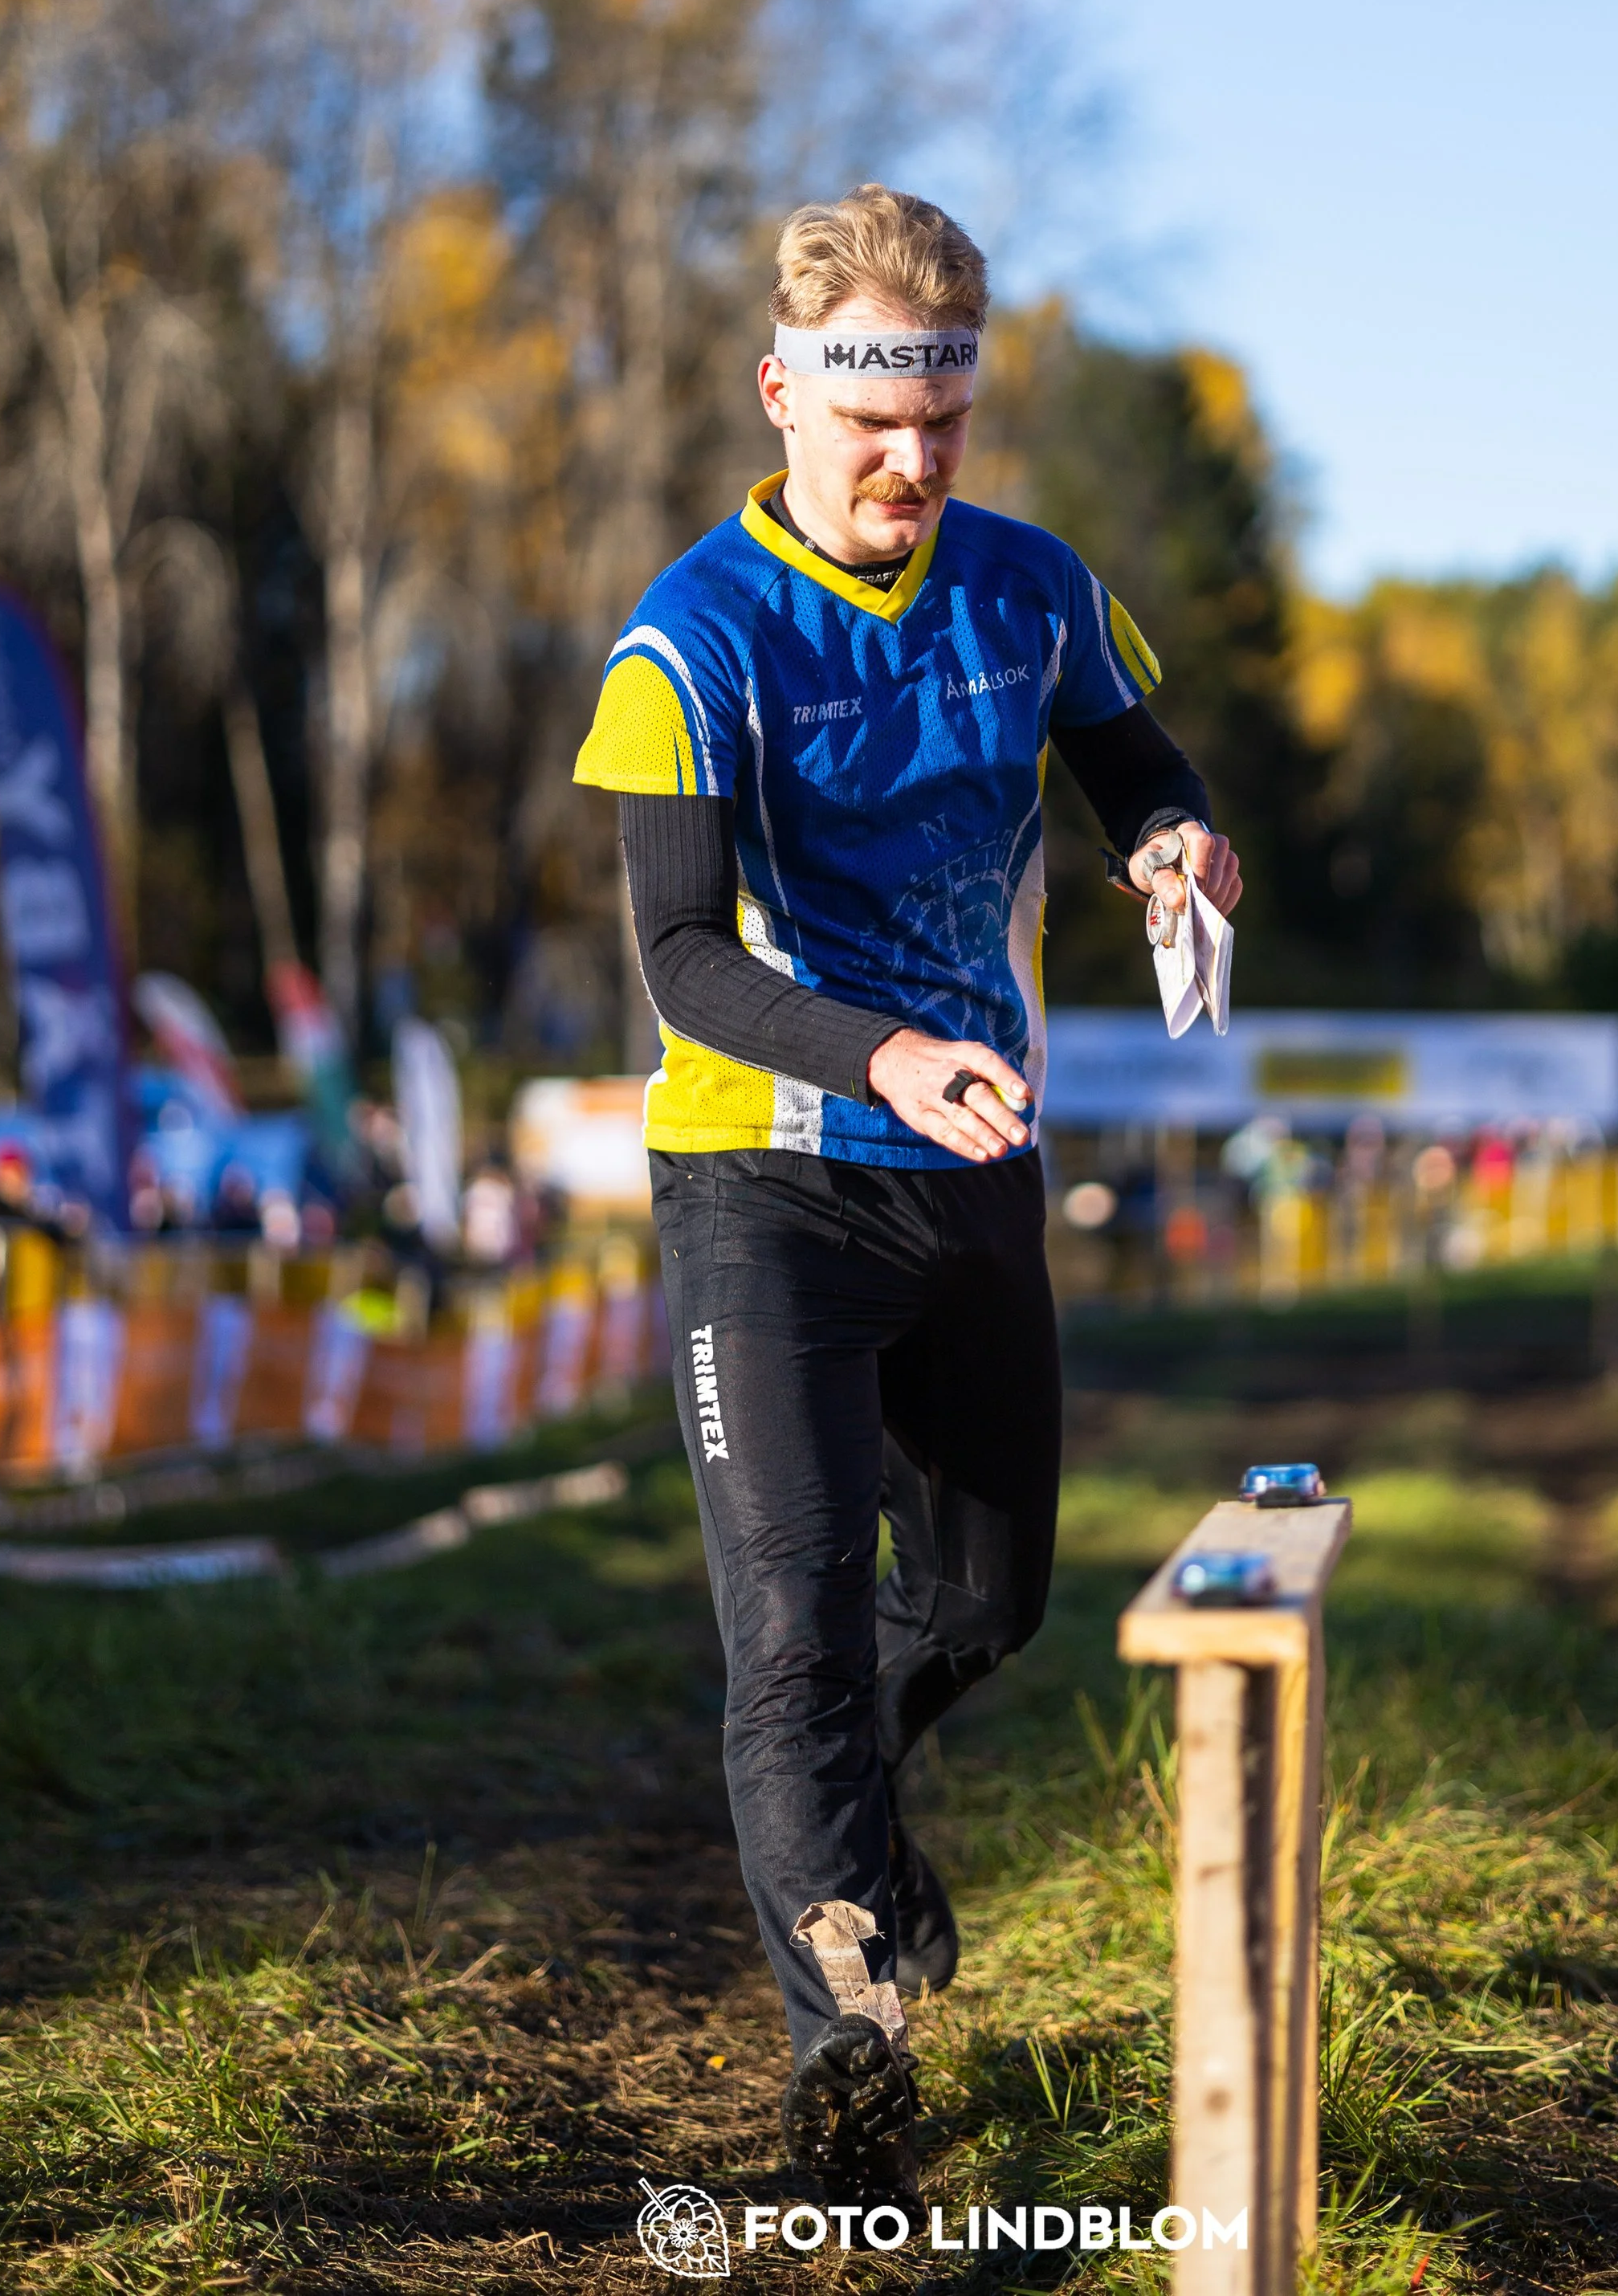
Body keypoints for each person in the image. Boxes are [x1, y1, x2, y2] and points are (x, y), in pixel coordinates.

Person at [573, 184, 1241, 2205]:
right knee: (789, 1625)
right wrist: (871, 1050)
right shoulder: (686, 641)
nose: (909, 463)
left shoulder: (1029, 589)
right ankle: (846, 2025)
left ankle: (844, 1834)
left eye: (943, 422)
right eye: (872, 420)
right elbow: (681, 957)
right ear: (783, 392)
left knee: (984, 1599)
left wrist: (1177, 847)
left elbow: (1140, 763)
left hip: (973, 1175)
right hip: (763, 1181)